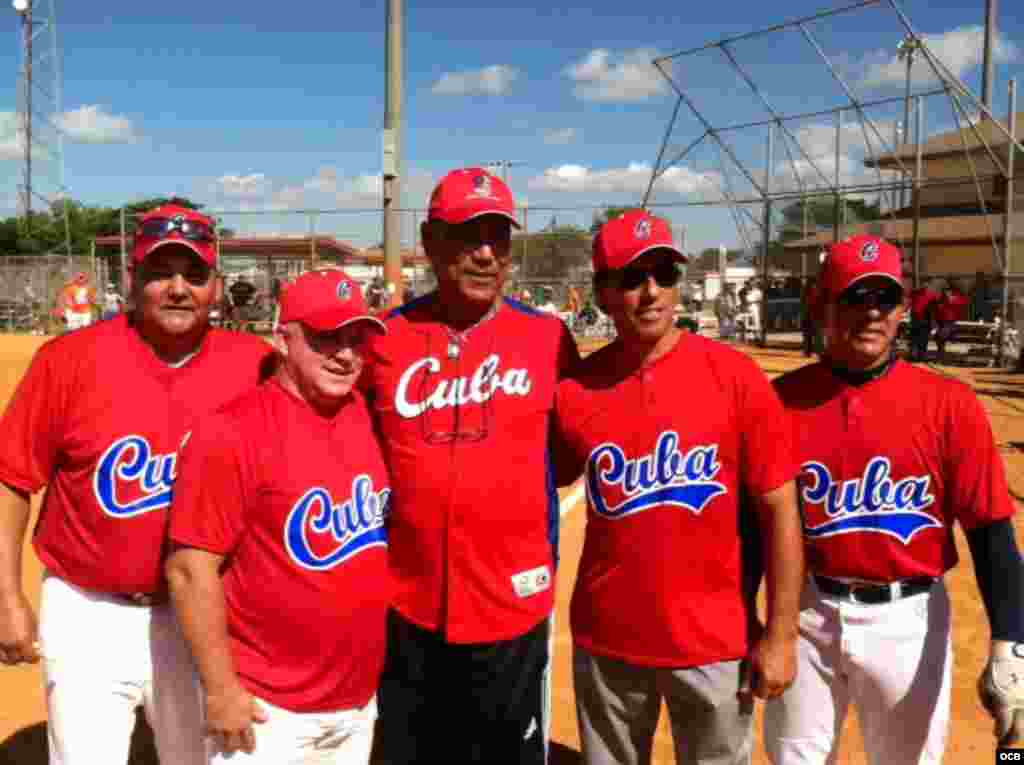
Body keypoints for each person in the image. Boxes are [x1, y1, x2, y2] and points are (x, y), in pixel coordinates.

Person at [0, 204, 272, 765]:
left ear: (215, 285)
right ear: (132, 280)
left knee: (203, 758)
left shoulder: (256, 365)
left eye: (194, 275)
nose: (178, 288)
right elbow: (10, 478)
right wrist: (6, 595)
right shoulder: (68, 360)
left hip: (207, 614)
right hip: (88, 609)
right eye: (160, 272)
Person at [553, 209, 803, 765]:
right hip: (607, 640)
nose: (650, 292)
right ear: (603, 290)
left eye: (663, 274)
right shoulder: (576, 392)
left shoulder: (735, 377)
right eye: (631, 276)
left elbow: (780, 507)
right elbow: (538, 476)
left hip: (714, 642)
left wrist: (781, 634)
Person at [764, 235, 1024, 763]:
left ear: (903, 308)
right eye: (855, 297)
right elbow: (753, 530)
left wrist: (1011, 640)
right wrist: (759, 631)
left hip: (909, 617)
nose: (872, 312)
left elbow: (990, 529)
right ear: (823, 306)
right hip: (806, 613)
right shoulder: (780, 403)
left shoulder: (948, 403)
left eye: (885, 298)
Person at [360, 167, 579, 764]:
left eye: (498, 236)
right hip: (405, 604)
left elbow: (566, 457)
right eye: (466, 235)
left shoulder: (549, 339)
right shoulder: (385, 338)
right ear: (430, 242)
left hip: (511, 604)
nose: (486, 253)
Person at [166, 268, 390, 765]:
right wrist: (221, 689)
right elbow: (189, 569)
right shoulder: (233, 431)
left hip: (354, 704)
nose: (347, 354)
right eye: (326, 337)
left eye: (357, 338)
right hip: (268, 711)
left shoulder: (362, 414)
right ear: (282, 340)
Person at [934, 279, 968, 364]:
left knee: (941, 336)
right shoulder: (942, 298)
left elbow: (962, 303)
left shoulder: (957, 297)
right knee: (939, 339)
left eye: (948, 290)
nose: (947, 292)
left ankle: (941, 357)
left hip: (950, 321)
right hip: (941, 320)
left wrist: (950, 299)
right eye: (945, 290)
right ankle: (941, 356)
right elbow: (938, 308)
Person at [907, 277, 941, 362]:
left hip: (925, 319)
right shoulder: (915, 293)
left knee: (923, 340)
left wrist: (934, 321)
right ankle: (913, 355)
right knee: (914, 338)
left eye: (926, 283)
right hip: (915, 319)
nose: (924, 285)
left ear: (929, 284)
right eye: (923, 283)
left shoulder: (932, 295)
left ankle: (921, 356)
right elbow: (909, 302)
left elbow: (935, 308)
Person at [800, 276, 819, 358]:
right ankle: (808, 351)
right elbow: (803, 303)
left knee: (812, 334)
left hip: (812, 314)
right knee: (809, 334)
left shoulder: (814, 292)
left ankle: (809, 351)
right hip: (809, 314)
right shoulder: (808, 292)